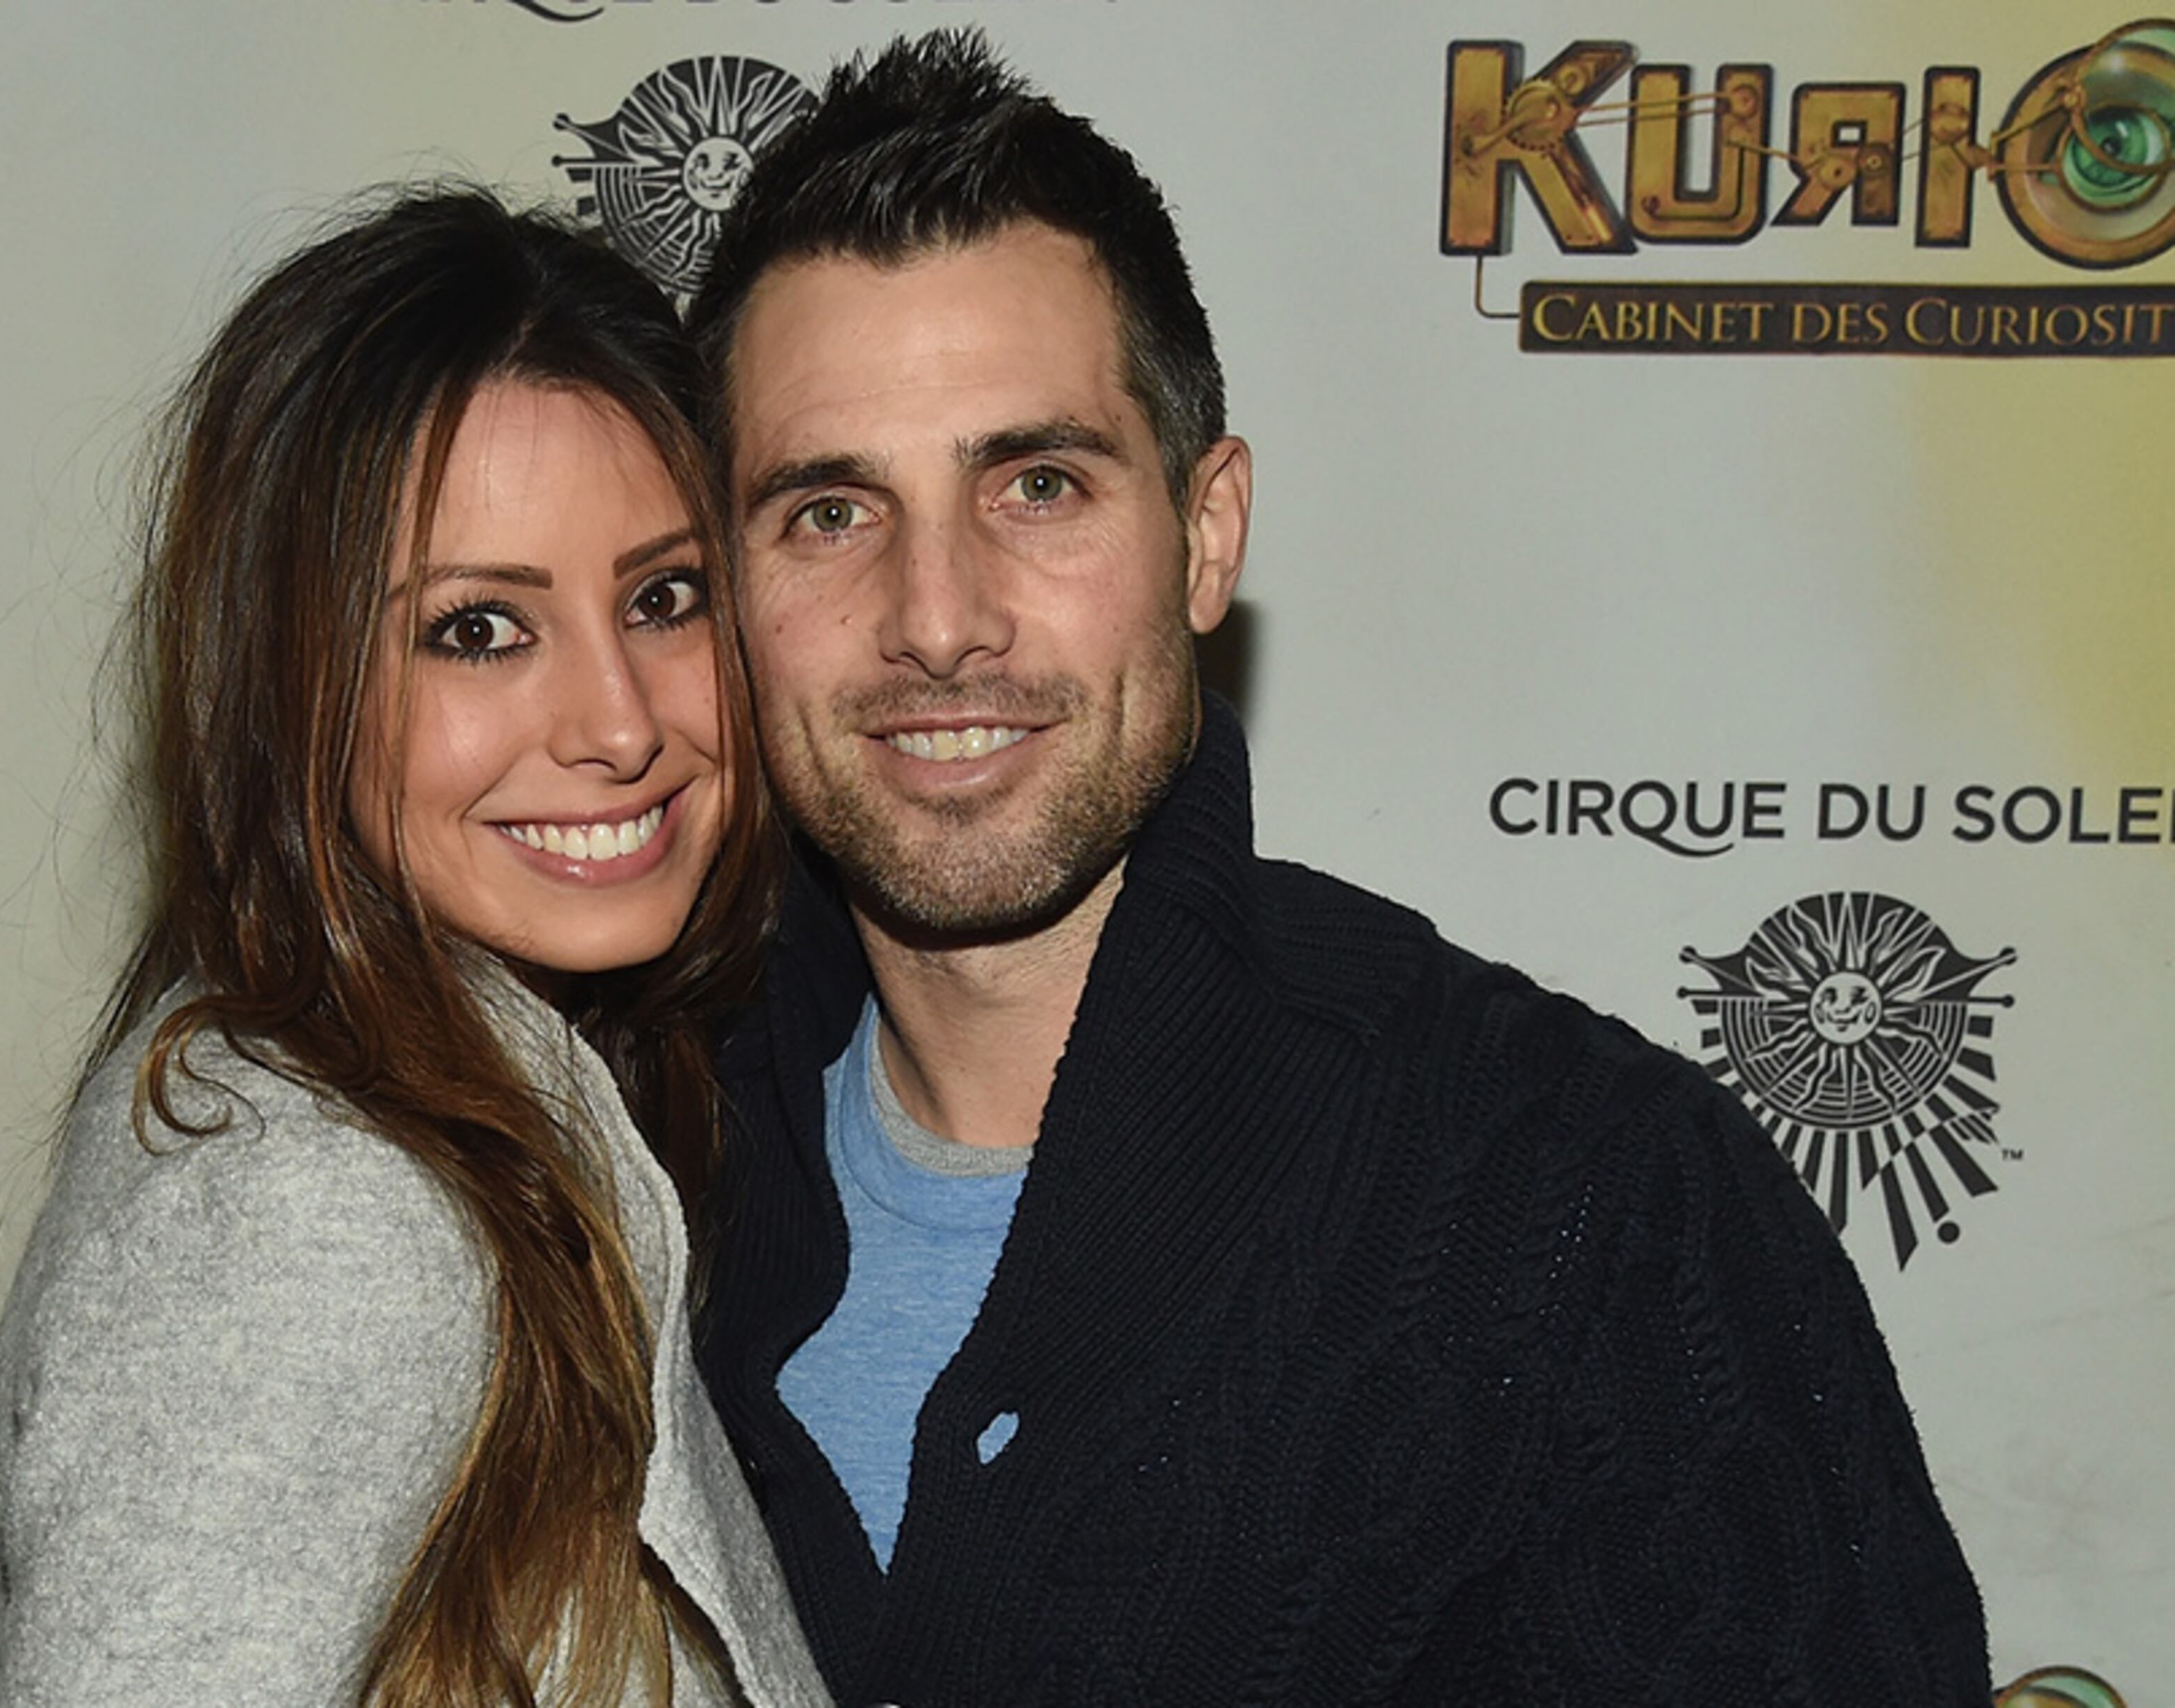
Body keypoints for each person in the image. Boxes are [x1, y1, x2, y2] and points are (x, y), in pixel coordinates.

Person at [683, 32, 1992, 1707]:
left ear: (1206, 534)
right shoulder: (627, 1180)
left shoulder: (1593, 1208)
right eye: (829, 512)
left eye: (1039, 484)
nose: (937, 620)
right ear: (724, 586)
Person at [0, 189, 828, 1708]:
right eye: (478, 629)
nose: (622, 722)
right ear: (290, 681)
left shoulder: (507, 1103)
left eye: (664, 598)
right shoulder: (315, 1214)